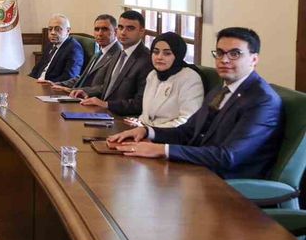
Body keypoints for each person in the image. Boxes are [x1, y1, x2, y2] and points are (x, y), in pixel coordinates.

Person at [108, 27, 282, 180]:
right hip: (198, 170)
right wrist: (147, 132)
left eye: (235, 54)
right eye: (220, 53)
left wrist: (162, 150)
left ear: (254, 59)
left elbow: (228, 156)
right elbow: (188, 131)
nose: (224, 60)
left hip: (228, 184)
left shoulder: (262, 100)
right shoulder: (221, 90)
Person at [70, 10, 152, 116]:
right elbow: (109, 88)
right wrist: (86, 92)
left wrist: (107, 104)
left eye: (130, 28)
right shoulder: (118, 53)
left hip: (122, 119)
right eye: (121, 27)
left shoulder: (146, 60)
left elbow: (140, 104)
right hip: (103, 114)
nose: (123, 32)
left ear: (141, 32)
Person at [123, 32, 204, 129]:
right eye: (156, 52)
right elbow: (146, 115)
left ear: (178, 55)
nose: (159, 57)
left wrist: (150, 131)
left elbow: (187, 121)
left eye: (167, 53)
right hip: (148, 132)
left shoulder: (190, 78)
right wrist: (139, 123)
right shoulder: (153, 74)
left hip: (171, 135)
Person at [50, 14, 121, 91]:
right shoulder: (99, 52)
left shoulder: (119, 54)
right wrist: (57, 84)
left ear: (115, 32)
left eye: (105, 29)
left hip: (89, 97)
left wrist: (73, 91)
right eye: (97, 29)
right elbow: (83, 78)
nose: (99, 34)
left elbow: (108, 87)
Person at [28, 14, 84, 83]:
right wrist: (28, 80)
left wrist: (48, 83)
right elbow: (37, 68)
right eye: (50, 29)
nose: (52, 32)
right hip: (38, 83)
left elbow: (69, 77)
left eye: (57, 29)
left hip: (51, 86)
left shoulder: (74, 49)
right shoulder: (50, 45)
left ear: (68, 31)